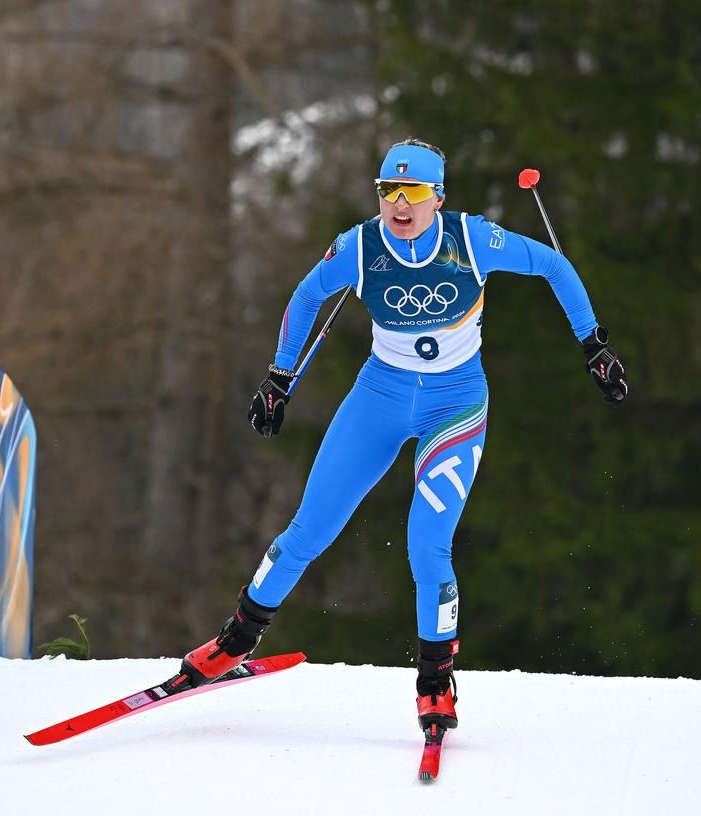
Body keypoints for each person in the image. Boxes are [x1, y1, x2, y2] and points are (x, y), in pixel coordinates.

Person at [177, 138, 628, 734]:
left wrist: (593, 345)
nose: (399, 203)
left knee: (427, 545)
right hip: (380, 397)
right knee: (309, 529)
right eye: (388, 190)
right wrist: (279, 378)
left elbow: (553, 265)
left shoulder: (472, 239)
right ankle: (235, 641)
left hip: (455, 403)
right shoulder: (360, 247)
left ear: (437, 197)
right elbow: (309, 294)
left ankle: (435, 684)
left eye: (412, 192)